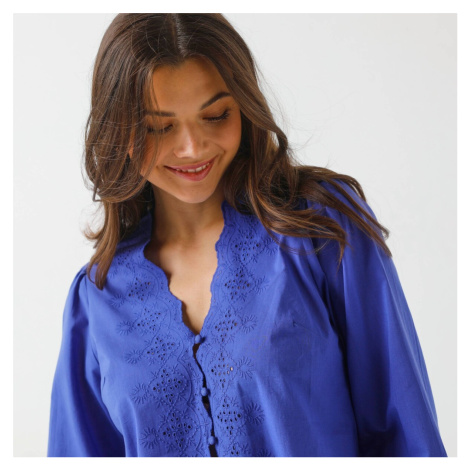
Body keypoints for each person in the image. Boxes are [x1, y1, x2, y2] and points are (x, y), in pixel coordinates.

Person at [47, 13, 447, 457]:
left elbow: (406, 433)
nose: (192, 148)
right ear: (118, 130)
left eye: (216, 115)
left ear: (244, 106)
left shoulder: (320, 231)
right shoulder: (97, 298)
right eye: (158, 127)